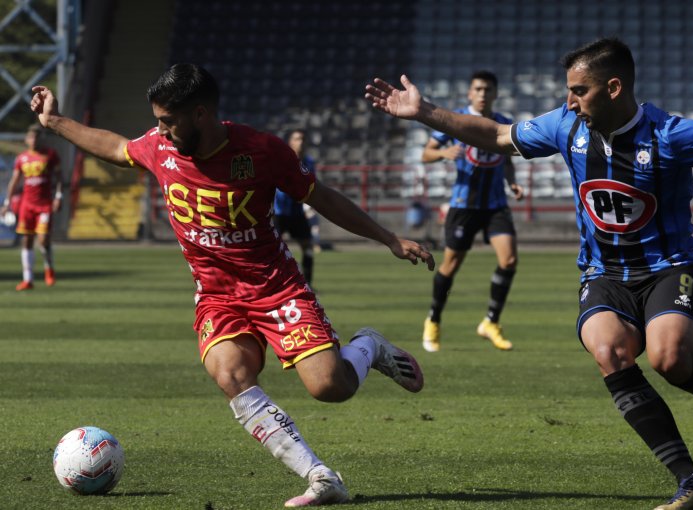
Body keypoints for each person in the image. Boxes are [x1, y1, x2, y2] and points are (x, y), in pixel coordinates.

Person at [366, 38, 693, 509]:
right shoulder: (565, 126)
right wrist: (425, 112)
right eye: (569, 91)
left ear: (613, 87)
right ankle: (691, 483)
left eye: (579, 90)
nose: (569, 100)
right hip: (604, 275)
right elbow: (498, 136)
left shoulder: (670, 132)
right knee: (609, 352)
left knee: (670, 359)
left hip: (669, 269)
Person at [31, 63, 435, 507]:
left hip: (276, 288)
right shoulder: (160, 147)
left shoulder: (261, 151)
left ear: (200, 115)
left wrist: (389, 238)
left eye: (167, 121)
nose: (159, 131)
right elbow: (118, 147)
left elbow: (322, 198)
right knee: (231, 374)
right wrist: (54, 121)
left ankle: (368, 346)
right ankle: (321, 477)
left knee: (330, 388)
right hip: (218, 297)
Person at [420, 70, 524, 353]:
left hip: (495, 205)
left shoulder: (502, 123)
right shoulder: (454, 121)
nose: (482, 94)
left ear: (495, 94)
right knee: (451, 265)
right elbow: (425, 154)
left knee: (510, 259)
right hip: (464, 205)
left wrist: (512, 181)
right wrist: (443, 153)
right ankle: (434, 319)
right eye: (477, 89)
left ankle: (491, 321)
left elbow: (507, 158)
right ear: (469, 93)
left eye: (487, 89)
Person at [1, 123, 63, 291]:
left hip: (44, 204)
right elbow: (15, 181)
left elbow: (59, 178)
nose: (33, 140)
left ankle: (49, 268)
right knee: (26, 241)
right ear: (27, 140)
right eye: (31, 137)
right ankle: (27, 280)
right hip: (27, 205)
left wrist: (58, 196)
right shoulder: (21, 158)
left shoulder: (50, 155)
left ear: (41, 139)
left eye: (37, 137)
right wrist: (7, 203)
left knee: (42, 239)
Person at [274, 128, 316, 285]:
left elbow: (313, 185)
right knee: (272, 251)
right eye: (298, 139)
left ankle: (308, 283)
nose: (301, 142)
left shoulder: (309, 162)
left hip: (297, 213)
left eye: (303, 139)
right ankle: (275, 284)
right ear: (290, 142)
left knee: (308, 247)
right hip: (280, 212)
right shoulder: (281, 160)